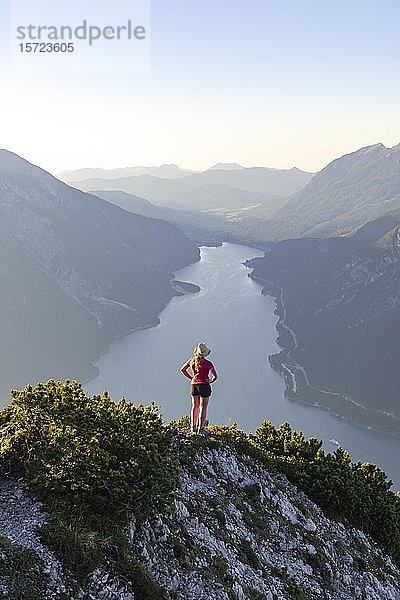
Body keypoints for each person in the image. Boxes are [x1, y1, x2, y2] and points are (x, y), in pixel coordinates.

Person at [180, 342, 218, 434]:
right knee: (203, 408)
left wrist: (191, 378)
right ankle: (200, 429)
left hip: (193, 386)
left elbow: (182, 370)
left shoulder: (191, 360)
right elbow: (215, 376)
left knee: (194, 407)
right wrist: (211, 381)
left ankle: (192, 427)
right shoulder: (208, 363)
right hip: (204, 385)